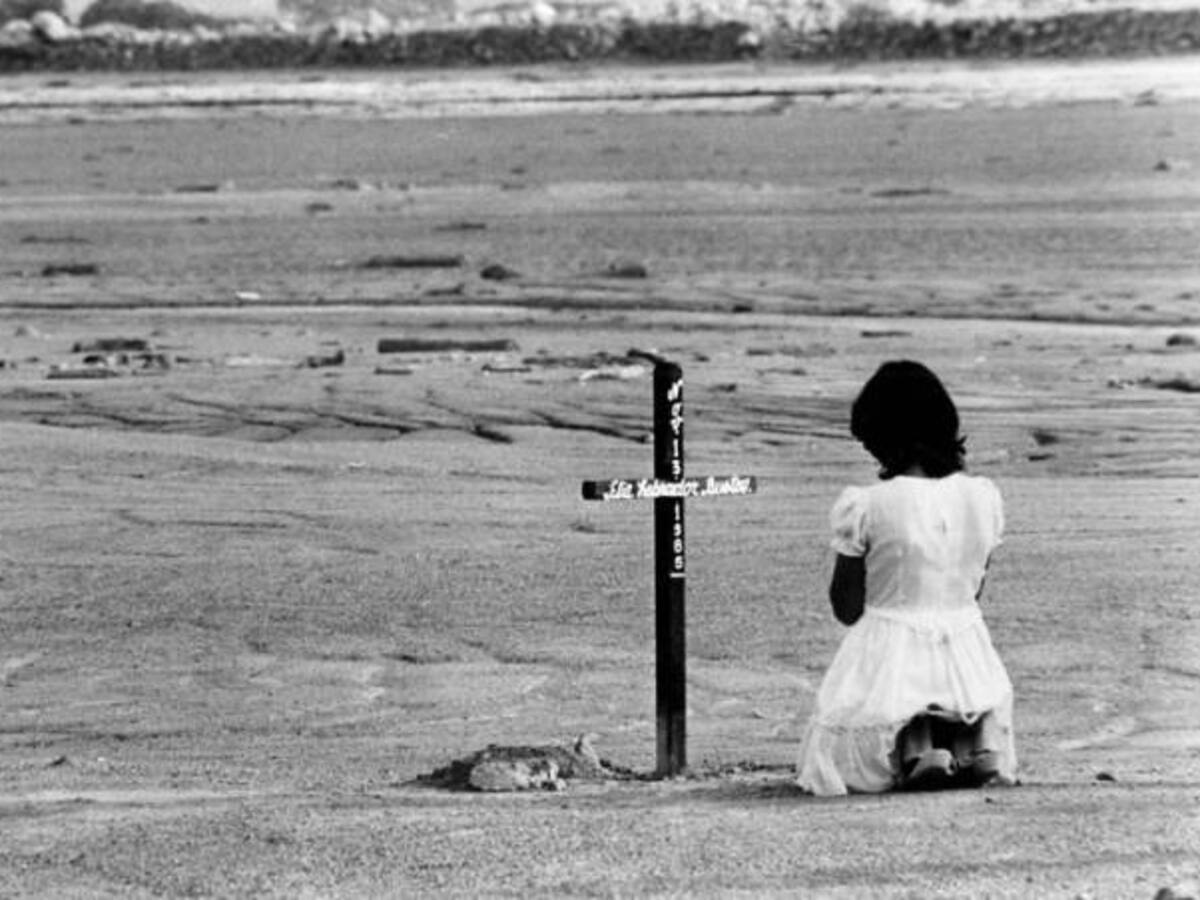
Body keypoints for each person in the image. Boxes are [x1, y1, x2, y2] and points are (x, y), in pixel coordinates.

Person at [796, 360, 1017, 796]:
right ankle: (975, 743)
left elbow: (847, 606)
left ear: (884, 438)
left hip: (890, 650)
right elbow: (975, 590)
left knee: (892, 696)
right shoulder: (982, 497)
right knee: (958, 689)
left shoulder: (866, 505)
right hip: (968, 653)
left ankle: (916, 750)